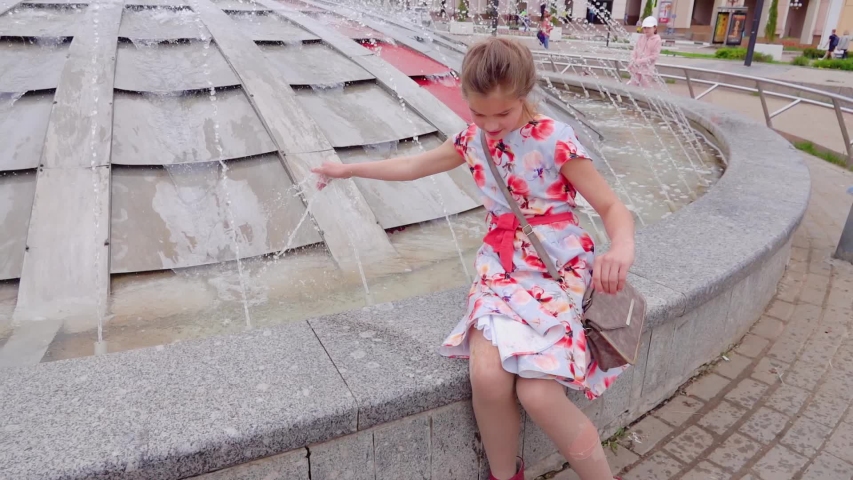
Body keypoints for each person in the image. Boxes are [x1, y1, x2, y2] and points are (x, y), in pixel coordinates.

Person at [312, 37, 634, 480]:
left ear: (524, 96)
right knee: (486, 377)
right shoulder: (472, 140)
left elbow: (613, 208)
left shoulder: (555, 140)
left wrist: (621, 248)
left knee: (538, 395)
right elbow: (412, 167)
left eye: (503, 113)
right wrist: (348, 169)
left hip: (557, 272)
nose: (491, 124)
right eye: (478, 112)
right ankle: (505, 476)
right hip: (501, 272)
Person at [627, 17, 662, 88]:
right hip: (636, 69)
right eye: (645, 28)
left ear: (655, 28)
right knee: (632, 88)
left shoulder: (657, 40)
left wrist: (639, 61)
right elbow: (635, 50)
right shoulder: (641, 38)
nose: (646, 30)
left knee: (644, 90)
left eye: (649, 28)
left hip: (647, 71)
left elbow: (654, 56)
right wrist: (632, 60)